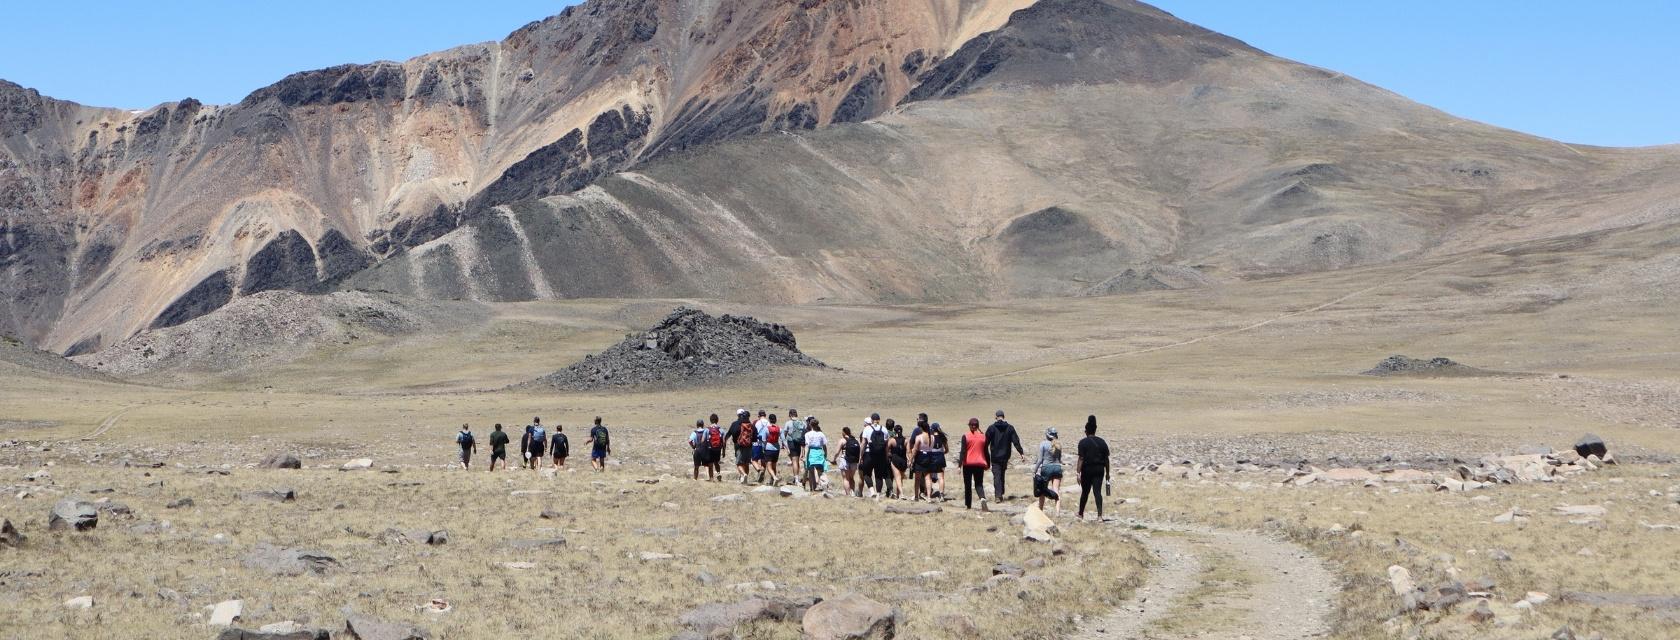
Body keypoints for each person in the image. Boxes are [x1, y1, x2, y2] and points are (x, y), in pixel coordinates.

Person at [985, 410, 1026, 500]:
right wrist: (1021, 452)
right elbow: (1016, 441)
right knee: (1001, 473)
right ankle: (1001, 492)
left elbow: (985, 442)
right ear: (1004, 416)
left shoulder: (991, 428)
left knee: (997, 475)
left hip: (995, 456)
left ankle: (998, 495)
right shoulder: (1010, 428)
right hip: (1005, 456)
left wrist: (983, 454)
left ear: (996, 417)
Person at [1076, 415, 1111, 521]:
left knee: (1085, 492)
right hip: (1099, 470)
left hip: (1086, 470)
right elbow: (1106, 459)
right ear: (1095, 430)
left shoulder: (1082, 442)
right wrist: (1108, 473)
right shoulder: (1102, 442)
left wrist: (1078, 473)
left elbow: (1081, 458)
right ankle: (1100, 516)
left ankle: (1081, 514)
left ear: (1086, 431)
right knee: (1097, 492)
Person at [957, 418, 990, 510]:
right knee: (979, 484)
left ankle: (968, 505)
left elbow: (963, 451)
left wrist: (959, 465)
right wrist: (988, 464)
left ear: (970, 426)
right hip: (979, 464)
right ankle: (982, 498)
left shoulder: (965, 436)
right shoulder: (983, 437)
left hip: (968, 464)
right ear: (978, 426)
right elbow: (986, 452)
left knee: (967, 485)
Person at [1034, 428, 1064, 513]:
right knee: (1056, 490)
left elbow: (1040, 460)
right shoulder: (1059, 445)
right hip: (1057, 468)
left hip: (1046, 468)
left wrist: (1034, 471)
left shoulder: (1043, 444)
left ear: (1047, 435)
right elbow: (1060, 459)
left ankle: (1040, 510)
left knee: (1042, 490)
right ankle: (1057, 512)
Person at [859, 413, 889, 498]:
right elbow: (886, 445)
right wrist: (886, 456)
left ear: (871, 420)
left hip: (869, 454)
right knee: (879, 475)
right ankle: (878, 494)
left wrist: (861, 456)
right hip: (881, 455)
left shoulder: (867, 429)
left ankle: (872, 492)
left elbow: (864, 443)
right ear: (879, 420)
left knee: (866, 473)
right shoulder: (884, 429)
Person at [910, 420, 935, 500]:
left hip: (920, 457)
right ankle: (928, 497)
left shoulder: (919, 437)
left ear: (921, 428)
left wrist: (911, 459)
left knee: (917, 478)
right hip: (929, 456)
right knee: (928, 478)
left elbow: (915, 450)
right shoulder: (932, 437)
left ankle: (916, 496)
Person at [727, 409, 754, 484]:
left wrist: (725, 443)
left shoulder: (735, 424)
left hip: (739, 446)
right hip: (749, 446)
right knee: (746, 463)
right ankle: (745, 479)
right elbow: (755, 437)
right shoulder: (751, 425)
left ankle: (743, 474)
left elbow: (730, 434)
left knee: (739, 463)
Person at [802, 417, 828, 491]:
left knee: (811, 472)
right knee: (820, 472)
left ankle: (812, 488)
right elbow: (824, 446)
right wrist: (825, 455)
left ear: (810, 425)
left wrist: (805, 456)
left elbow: (807, 445)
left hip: (811, 453)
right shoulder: (821, 434)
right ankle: (824, 485)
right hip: (819, 452)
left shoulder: (807, 434)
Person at [758, 413, 782, 485]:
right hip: (776, 448)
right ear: (776, 420)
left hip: (768, 448)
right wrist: (787, 448)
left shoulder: (766, 428)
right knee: (774, 465)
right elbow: (783, 439)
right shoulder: (779, 429)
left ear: (769, 420)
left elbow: (764, 440)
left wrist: (762, 448)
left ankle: (774, 477)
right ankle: (772, 481)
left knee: (768, 465)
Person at [887, 421, 908, 499]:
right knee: (900, 478)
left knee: (897, 478)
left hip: (895, 459)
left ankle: (901, 494)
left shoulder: (892, 440)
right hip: (903, 460)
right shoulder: (906, 440)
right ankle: (898, 494)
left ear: (894, 431)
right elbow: (908, 451)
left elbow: (887, 450)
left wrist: (889, 455)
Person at [783, 409, 807, 478]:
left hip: (791, 442)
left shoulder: (788, 423)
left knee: (794, 460)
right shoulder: (802, 422)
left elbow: (785, 433)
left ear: (790, 415)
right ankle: (798, 477)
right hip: (800, 443)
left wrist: (783, 443)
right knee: (797, 460)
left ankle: (796, 478)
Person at [929, 422, 949, 500]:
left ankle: (928, 494)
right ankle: (941, 495)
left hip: (931, 458)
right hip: (940, 457)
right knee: (941, 478)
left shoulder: (930, 437)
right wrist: (941, 453)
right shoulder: (943, 437)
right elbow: (947, 450)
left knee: (929, 478)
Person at [839, 426, 861, 497]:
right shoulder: (854, 440)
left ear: (843, 433)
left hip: (845, 460)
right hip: (854, 461)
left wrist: (833, 459)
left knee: (846, 479)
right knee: (851, 478)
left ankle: (848, 495)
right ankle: (853, 493)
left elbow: (837, 452)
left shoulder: (842, 440)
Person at [704, 413, 725, 480]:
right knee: (716, 462)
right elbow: (724, 442)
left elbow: (703, 440)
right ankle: (718, 473)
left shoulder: (707, 429)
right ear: (717, 420)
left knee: (710, 463)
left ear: (710, 420)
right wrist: (723, 451)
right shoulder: (721, 430)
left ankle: (711, 477)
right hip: (718, 449)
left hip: (710, 448)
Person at [751, 410, 770, 481]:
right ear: (765, 415)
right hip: (767, 444)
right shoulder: (768, 422)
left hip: (757, 443)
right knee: (763, 460)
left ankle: (759, 470)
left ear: (759, 416)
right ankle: (761, 478)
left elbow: (753, 433)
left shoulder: (756, 422)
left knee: (753, 460)